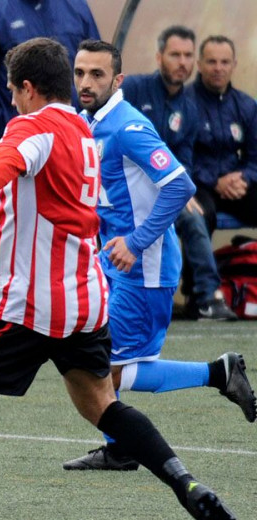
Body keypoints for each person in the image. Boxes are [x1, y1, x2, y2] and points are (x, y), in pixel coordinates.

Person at [0, 38, 240, 520]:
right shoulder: (83, 133)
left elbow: (2, 165)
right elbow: (45, 212)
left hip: (27, 307)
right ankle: (188, 485)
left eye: (12, 89)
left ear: (27, 88)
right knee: (102, 406)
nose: (10, 99)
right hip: (85, 300)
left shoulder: (33, 126)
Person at [61, 40, 255, 472]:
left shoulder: (129, 128)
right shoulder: (85, 122)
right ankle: (122, 445)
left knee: (104, 370)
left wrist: (137, 240)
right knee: (103, 365)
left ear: (118, 80)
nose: (86, 83)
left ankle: (217, 375)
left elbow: (180, 186)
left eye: (96, 74)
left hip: (144, 267)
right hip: (114, 263)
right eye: (79, 73)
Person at [122, 26, 236, 320]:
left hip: (164, 190)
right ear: (159, 57)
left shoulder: (190, 106)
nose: (182, 62)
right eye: (175, 54)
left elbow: (184, 158)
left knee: (194, 215)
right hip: (127, 189)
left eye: (187, 55)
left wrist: (179, 188)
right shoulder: (133, 89)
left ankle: (207, 298)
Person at [0, 0, 99, 163]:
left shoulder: (76, 8)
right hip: (19, 145)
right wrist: (0, 130)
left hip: (72, 139)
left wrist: (90, 123)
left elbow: (97, 63)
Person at [190, 35, 257, 232]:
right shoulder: (183, 103)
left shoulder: (246, 105)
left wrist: (244, 178)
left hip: (235, 185)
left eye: (225, 62)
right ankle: (197, 265)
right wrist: (213, 181)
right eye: (212, 62)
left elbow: (255, 157)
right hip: (197, 186)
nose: (218, 68)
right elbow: (177, 157)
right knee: (199, 216)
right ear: (199, 65)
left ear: (234, 65)